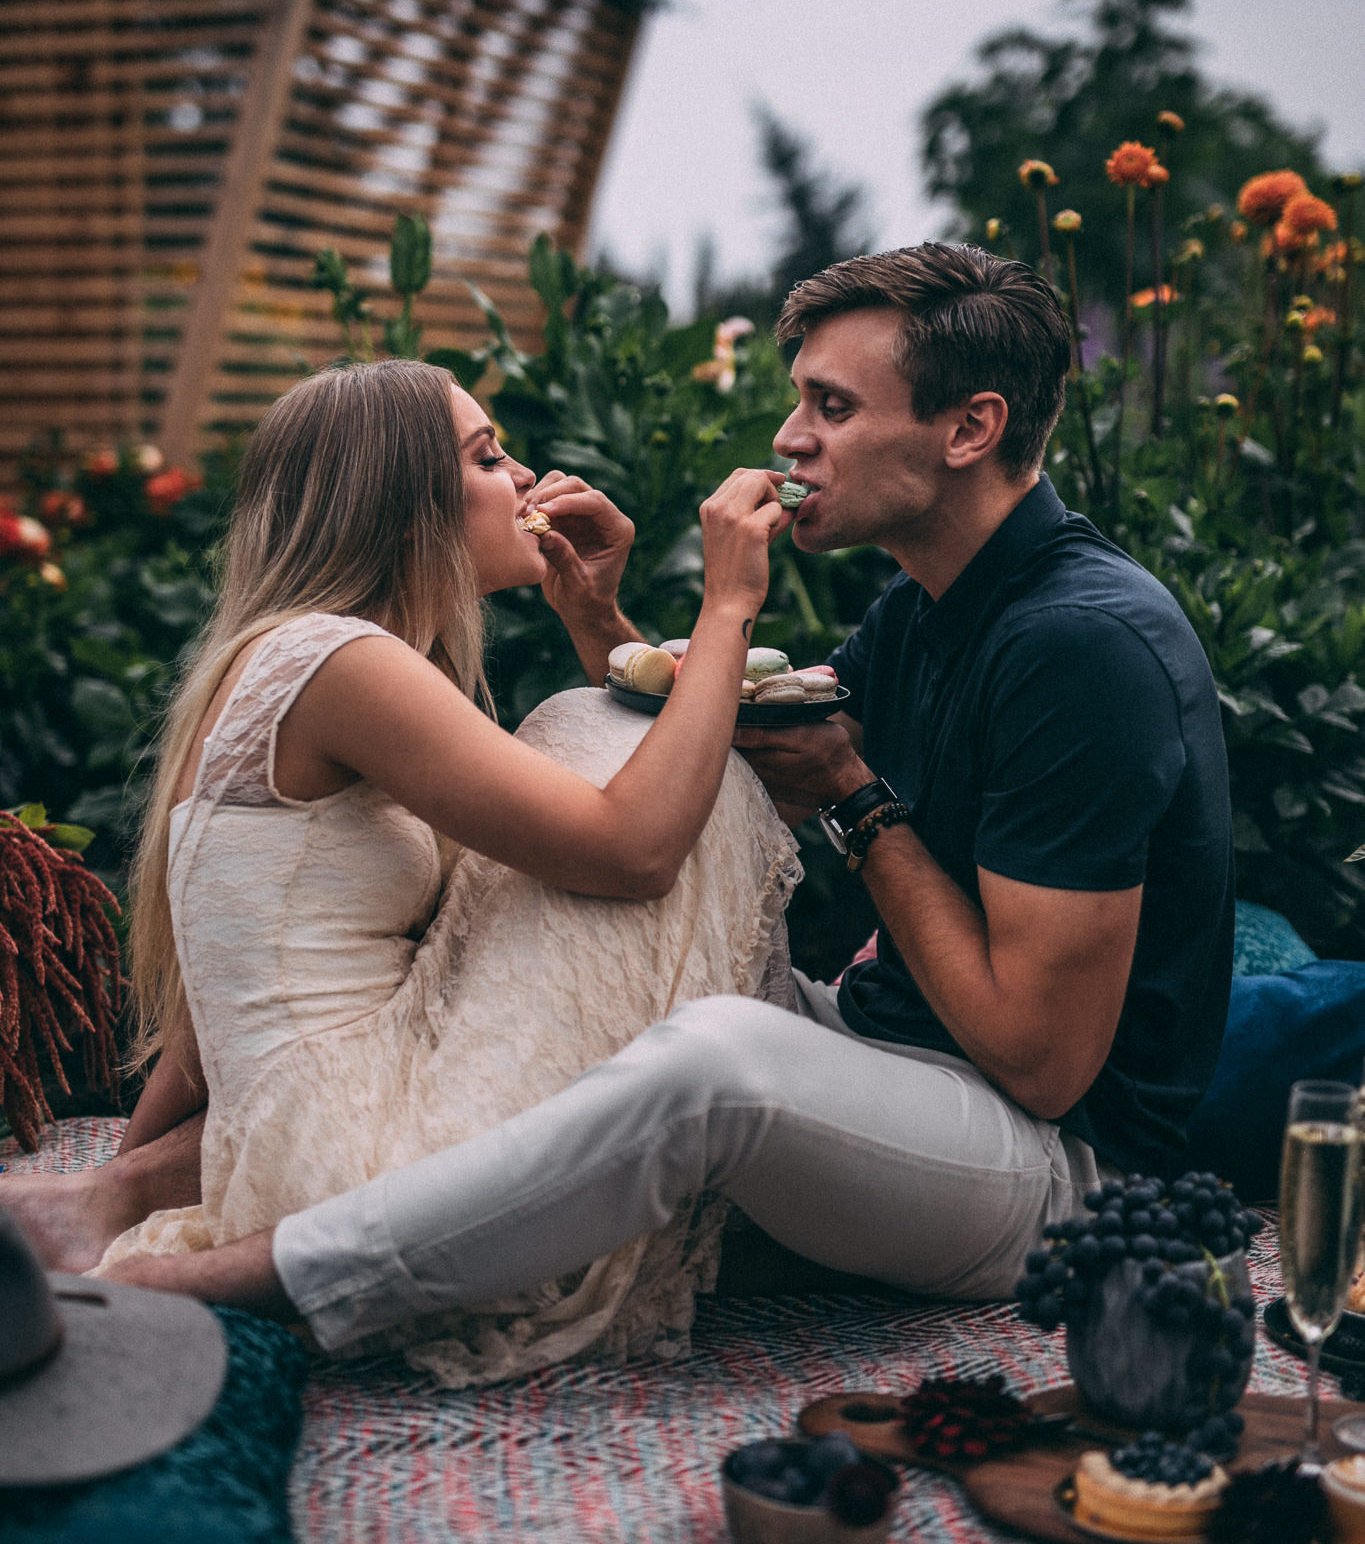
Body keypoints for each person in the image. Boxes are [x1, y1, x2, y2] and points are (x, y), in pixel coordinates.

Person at [63, 246, 1237, 1346]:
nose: (790, 438)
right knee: (591, 947)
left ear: (971, 427)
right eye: (798, 401)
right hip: (897, 1043)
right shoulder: (936, 605)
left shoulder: (1081, 645)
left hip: (1055, 1164)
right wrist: (597, 618)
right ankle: (137, 1197)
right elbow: (710, 777)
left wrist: (856, 796)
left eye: (833, 406)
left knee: (712, 1058)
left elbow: (1041, 1062)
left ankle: (274, 1275)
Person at [2, 359, 801, 1386]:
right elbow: (636, 848)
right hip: (362, 1154)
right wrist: (730, 605)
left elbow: (223, 988)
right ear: (398, 499)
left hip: (308, 1134)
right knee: (588, 727)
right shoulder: (339, 662)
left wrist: (121, 1188)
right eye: (485, 455)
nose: (523, 477)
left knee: (593, 724)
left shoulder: (295, 659)